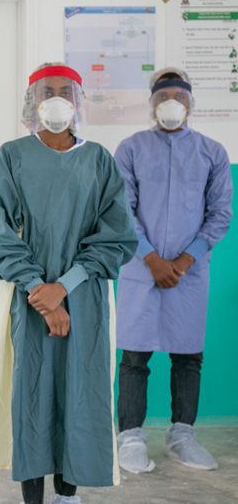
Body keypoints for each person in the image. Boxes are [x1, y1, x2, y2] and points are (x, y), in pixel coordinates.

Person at [0, 63, 137, 504]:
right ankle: (33, 496)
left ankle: (68, 494)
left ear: (79, 100)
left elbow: (116, 236)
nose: (56, 100)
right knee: (32, 392)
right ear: (31, 101)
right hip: (28, 299)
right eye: (46, 91)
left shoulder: (98, 160)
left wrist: (62, 287)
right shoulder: (11, 157)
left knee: (79, 391)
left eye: (65, 91)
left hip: (84, 296)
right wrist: (41, 293)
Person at [114, 67, 233, 473]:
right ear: (151, 104)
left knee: (188, 356)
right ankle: (129, 437)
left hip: (188, 273)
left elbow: (220, 214)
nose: (171, 104)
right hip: (141, 270)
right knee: (134, 357)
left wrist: (183, 261)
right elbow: (122, 210)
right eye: (163, 96)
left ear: (190, 103)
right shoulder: (130, 149)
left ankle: (182, 435)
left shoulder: (212, 152)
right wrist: (151, 259)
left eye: (178, 97)